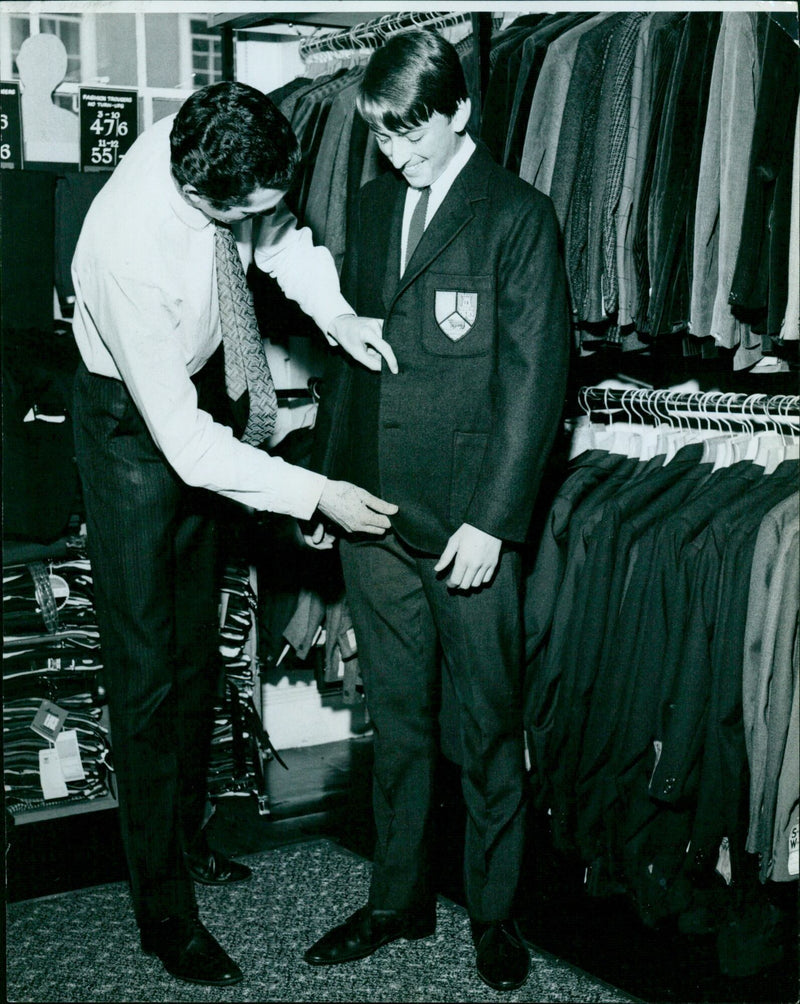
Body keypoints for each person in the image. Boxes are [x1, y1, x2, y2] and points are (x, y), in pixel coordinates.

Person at [70, 81, 399, 988]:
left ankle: (187, 837)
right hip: (133, 431)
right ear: (201, 194)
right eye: (245, 210)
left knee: (195, 655)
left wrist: (338, 316)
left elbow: (281, 240)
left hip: (199, 403)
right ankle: (163, 915)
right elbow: (181, 443)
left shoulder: (215, 150)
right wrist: (316, 492)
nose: (264, 218)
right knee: (144, 672)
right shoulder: (125, 248)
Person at [304, 30, 570, 992]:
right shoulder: (373, 205)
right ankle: (397, 900)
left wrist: (494, 523)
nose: (394, 155)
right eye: (381, 137)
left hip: (466, 529)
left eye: (410, 135)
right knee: (399, 726)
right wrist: (327, 493)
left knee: (488, 730)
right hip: (374, 513)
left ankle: (495, 916)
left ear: (458, 112)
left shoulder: (518, 216)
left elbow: (536, 381)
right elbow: (356, 360)